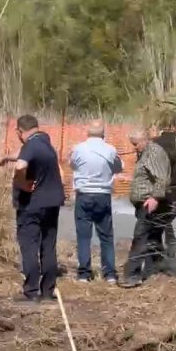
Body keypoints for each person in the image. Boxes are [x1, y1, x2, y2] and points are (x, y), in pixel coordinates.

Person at [0, 115, 65, 303]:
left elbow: (21, 165)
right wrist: (7, 157)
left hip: (32, 205)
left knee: (29, 246)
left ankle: (32, 291)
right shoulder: (45, 142)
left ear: (19, 131)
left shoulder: (30, 145)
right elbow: (26, 154)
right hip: (52, 203)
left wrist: (22, 183)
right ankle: (47, 291)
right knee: (48, 246)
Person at [69, 120, 123, 284]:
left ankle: (84, 273)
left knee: (83, 236)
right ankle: (110, 273)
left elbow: (73, 165)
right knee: (106, 236)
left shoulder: (79, 148)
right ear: (103, 134)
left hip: (84, 194)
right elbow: (118, 168)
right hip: (103, 195)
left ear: (88, 132)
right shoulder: (110, 150)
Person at [119, 128, 171, 289]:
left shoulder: (153, 153)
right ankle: (157, 269)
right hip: (144, 203)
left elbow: (161, 178)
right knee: (152, 238)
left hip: (150, 203)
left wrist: (155, 197)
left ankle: (133, 275)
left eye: (135, 144)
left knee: (140, 237)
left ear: (144, 140)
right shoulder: (145, 153)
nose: (134, 147)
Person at [148, 109, 176, 278]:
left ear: (160, 123)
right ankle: (173, 267)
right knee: (174, 232)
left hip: (159, 192)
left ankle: (156, 263)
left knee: (155, 228)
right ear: (175, 123)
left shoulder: (154, 143)